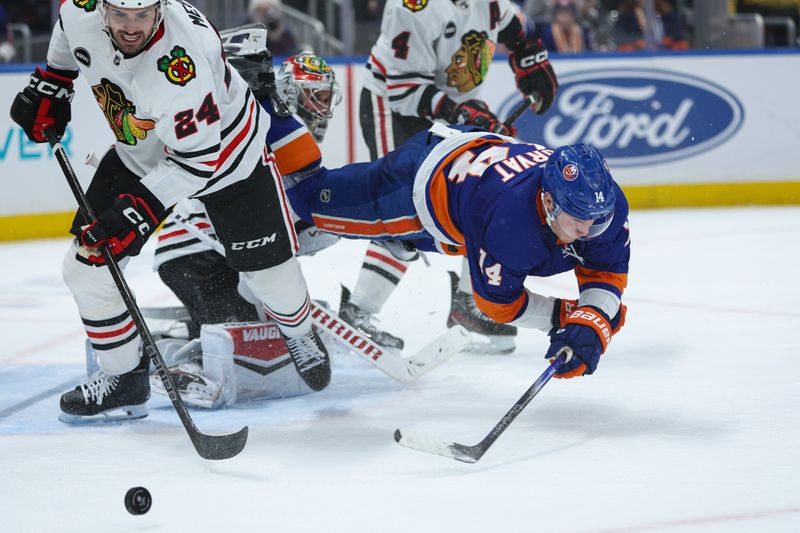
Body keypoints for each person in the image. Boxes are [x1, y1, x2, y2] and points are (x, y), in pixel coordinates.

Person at [9, 1, 330, 423]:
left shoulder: (183, 64)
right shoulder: (82, 9)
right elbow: (68, 32)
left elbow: (199, 162)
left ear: (159, 8)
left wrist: (136, 212)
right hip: (139, 151)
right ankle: (125, 378)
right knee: (86, 266)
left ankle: (299, 332)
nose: (130, 27)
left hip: (228, 157)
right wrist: (53, 79)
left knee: (271, 275)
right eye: (120, 15)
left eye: (142, 15)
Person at [287, 124, 629, 379]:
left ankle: (393, 245)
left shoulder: (604, 207)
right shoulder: (510, 225)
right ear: (549, 202)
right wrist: (566, 316)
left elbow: (606, 270)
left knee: (405, 240)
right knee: (309, 204)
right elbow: (497, 305)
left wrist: (592, 316)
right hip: (416, 185)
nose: (589, 232)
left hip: (468, 189)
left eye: (597, 220)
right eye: (578, 220)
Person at [147, 32, 343, 407]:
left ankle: (178, 337)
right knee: (243, 337)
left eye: (324, 97)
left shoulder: (276, 124)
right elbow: (298, 213)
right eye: (312, 95)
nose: (319, 106)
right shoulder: (257, 122)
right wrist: (340, 225)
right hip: (197, 253)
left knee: (256, 316)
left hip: (222, 253)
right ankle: (188, 361)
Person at [354, 0, 560, 354]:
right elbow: (403, 92)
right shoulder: (411, 7)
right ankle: (358, 309)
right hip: (393, 108)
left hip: (446, 110)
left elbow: (515, 26)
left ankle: (470, 304)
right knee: (403, 211)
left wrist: (532, 58)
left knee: (485, 189)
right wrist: (461, 112)